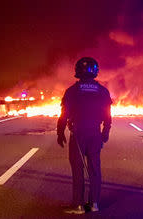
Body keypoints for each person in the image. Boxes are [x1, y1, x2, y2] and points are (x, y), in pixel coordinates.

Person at [57, 57, 112, 214]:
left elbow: (64, 115)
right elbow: (108, 115)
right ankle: (94, 204)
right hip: (95, 133)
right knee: (95, 169)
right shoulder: (102, 91)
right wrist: (105, 132)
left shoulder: (72, 91)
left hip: (78, 134)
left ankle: (78, 205)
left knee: (78, 168)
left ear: (77, 71)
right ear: (95, 71)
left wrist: (60, 132)